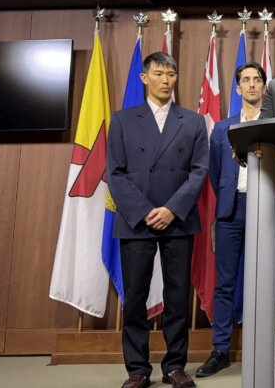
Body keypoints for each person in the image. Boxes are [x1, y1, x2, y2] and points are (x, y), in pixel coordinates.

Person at [107, 52, 209, 388]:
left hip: (177, 220)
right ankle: (137, 369)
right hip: (137, 220)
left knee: (177, 297)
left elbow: (199, 172)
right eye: (160, 73)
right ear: (144, 78)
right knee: (135, 297)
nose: (166, 80)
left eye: (172, 74)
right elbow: (116, 173)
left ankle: (175, 366)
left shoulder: (193, 121)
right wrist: (145, 211)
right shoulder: (122, 119)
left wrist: (171, 210)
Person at [196, 62, 266, 378]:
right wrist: (229, 195)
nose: (251, 85)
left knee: (265, 283)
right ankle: (220, 350)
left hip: (267, 210)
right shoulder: (222, 129)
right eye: (245, 80)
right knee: (224, 283)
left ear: (264, 86)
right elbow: (215, 171)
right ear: (237, 89)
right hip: (230, 210)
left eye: (257, 79)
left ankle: (264, 348)